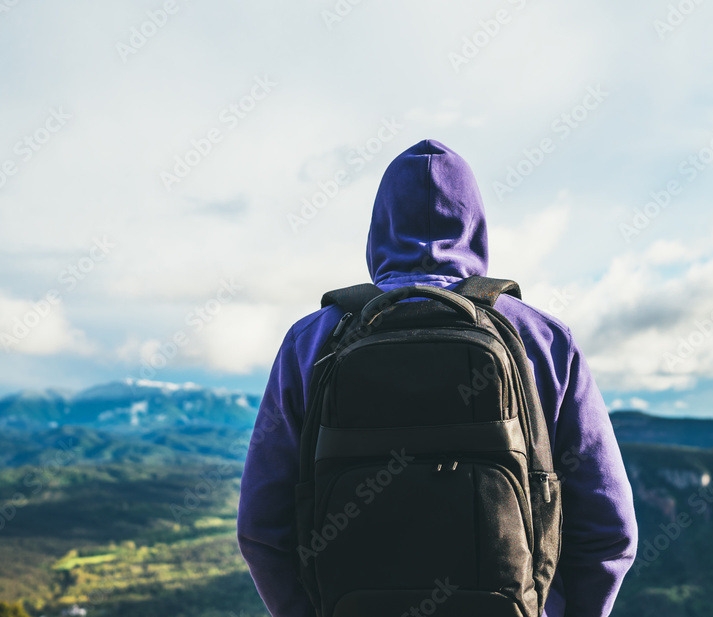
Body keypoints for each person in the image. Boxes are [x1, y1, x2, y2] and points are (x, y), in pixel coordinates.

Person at [236, 139, 639, 617]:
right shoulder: (543, 339)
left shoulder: (312, 340)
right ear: (477, 227)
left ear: (378, 228)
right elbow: (609, 530)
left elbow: (263, 529)